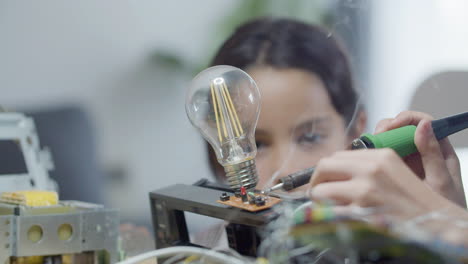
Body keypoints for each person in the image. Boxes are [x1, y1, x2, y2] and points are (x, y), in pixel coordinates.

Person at [199, 17, 467, 248]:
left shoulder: (399, 238)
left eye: (310, 137)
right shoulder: (203, 252)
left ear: (355, 131)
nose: (284, 167)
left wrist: (451, 232)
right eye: (258, 143)